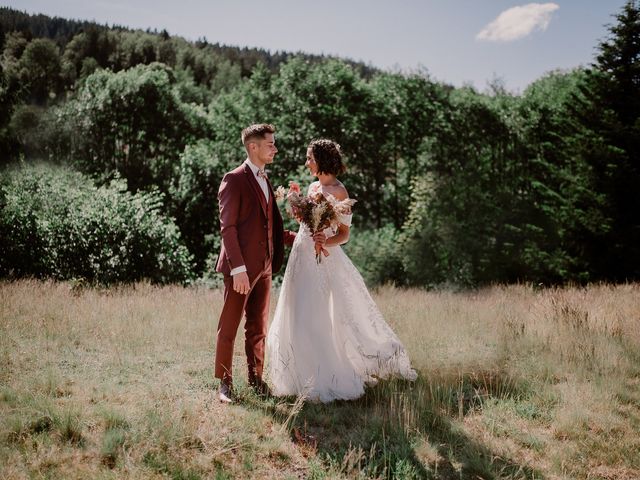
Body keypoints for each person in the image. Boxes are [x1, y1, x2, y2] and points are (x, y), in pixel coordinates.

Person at [267, 139, 417, 403]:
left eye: (309, 158)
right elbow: (305, 221)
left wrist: (326, 240)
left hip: (321, 261)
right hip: (300, 256)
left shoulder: (339, 191)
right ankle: (296, 375)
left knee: (313, 315)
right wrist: (295, 201)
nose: (306, 163)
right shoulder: (313, 186)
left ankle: (324, 376)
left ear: (322, 159)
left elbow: (344, 235)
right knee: (294, 309)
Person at [214, 123, 295, 403]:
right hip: (240, 270)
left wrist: (298, 237)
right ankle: (224, 384)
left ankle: (256, 380)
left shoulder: (265, 178)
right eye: (270, 144)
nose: (275, 148)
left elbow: (267, 224)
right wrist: (237, 269)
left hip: (265, 268)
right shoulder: (234, 179)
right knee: (229, 326)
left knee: (258, 328)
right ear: (253, 147)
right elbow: (228, 227)